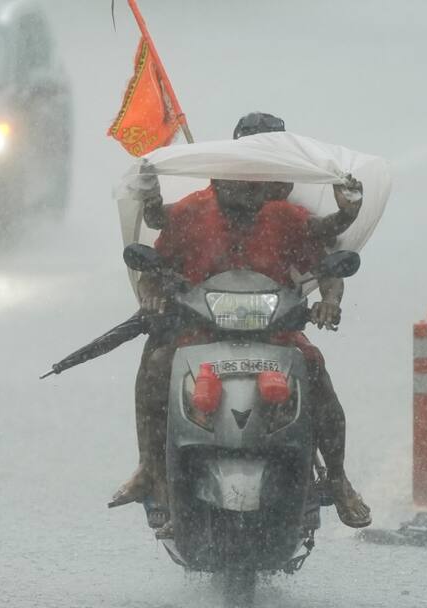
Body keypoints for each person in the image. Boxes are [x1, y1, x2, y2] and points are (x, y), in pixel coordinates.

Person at [112, 112, 372, 534]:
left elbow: (327, 253)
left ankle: (338, 479)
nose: (249, 185)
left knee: (315, 370)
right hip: (198, 333)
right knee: (158, 367)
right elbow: (154, 260)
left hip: (276, 335)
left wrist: (330, 299)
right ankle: (152, 471)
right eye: (243, 171)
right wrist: (152, 295)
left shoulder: (287, 216)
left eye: (264, 170)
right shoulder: (192, 211)